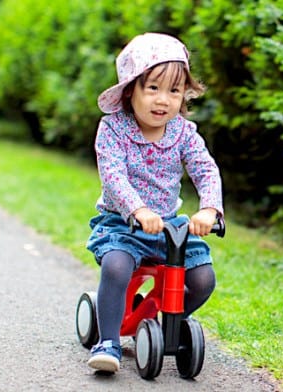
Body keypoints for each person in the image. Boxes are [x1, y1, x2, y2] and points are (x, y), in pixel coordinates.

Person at [85, 32, 224, 373]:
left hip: (169, 227)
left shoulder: (184, 133)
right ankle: (109, 341)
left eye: (174, 91)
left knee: (203, 279)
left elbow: (206, 170)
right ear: (131, 89)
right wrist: (138, 210)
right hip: (123, 223)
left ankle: (163, 326)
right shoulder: (113, 129)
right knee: (117, 267)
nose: (163, 100)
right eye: (153, 88)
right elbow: (113, 176)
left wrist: (209, 208)